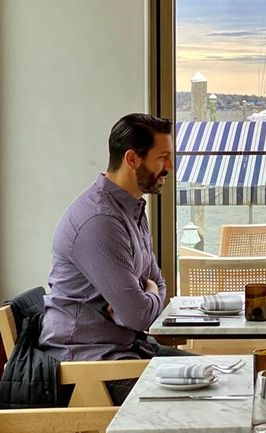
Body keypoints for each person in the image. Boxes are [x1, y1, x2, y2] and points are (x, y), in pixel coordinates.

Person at [39, 113, 188, 403]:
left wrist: (147, 295)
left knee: (220, 378)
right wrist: (141, 302)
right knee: (199, 402)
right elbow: (138, 315)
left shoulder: (131, 209)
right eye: (162, 158)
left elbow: (156, 281)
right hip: (90, 369)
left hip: (128, 350)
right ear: (132, 159)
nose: (169, 167)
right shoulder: (100, 221)